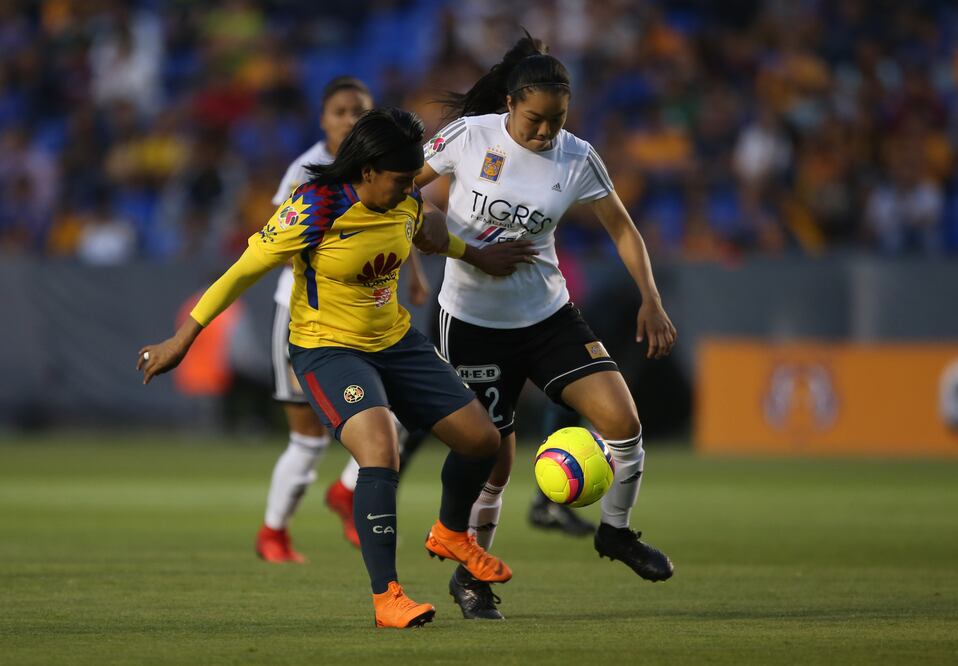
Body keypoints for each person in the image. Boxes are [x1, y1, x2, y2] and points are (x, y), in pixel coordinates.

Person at [138, 108, 524, 629]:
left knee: (482, 441)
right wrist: (182, 339)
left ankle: (451, 532)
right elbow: (241, 272)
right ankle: (387, 596)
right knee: (380, 449)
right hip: (328, 349)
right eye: (402, 179)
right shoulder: (316, 208)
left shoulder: (403, 200)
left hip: (394, 340)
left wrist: (479, 256)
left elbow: (430, 236)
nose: (413, 188)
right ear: (366, 172)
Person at [415, 34, 678, 620]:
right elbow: (399, 191)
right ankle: (470, 577)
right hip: (472, 322)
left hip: (547, 316)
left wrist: (651, 299)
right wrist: (430, 233)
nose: (545, 132)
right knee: (494, 461)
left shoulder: (578, 157)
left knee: (623, 421)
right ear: (509, 104)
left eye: (557, 120)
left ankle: (615, 533)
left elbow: (624, 229)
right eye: (535, 120)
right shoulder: (468, 137)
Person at [255, 76, 431, 562]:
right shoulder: (306, 174)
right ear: (323, 119)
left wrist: (413, 271)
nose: (350, 119)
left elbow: (398, 218)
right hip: (304, 318)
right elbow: (279, 240)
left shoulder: (386, 176)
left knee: (395, 421)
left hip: (366, 319)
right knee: (307, 439)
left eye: (360, 111)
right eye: (340, 111)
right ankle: (273, 532)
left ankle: (348, 493)